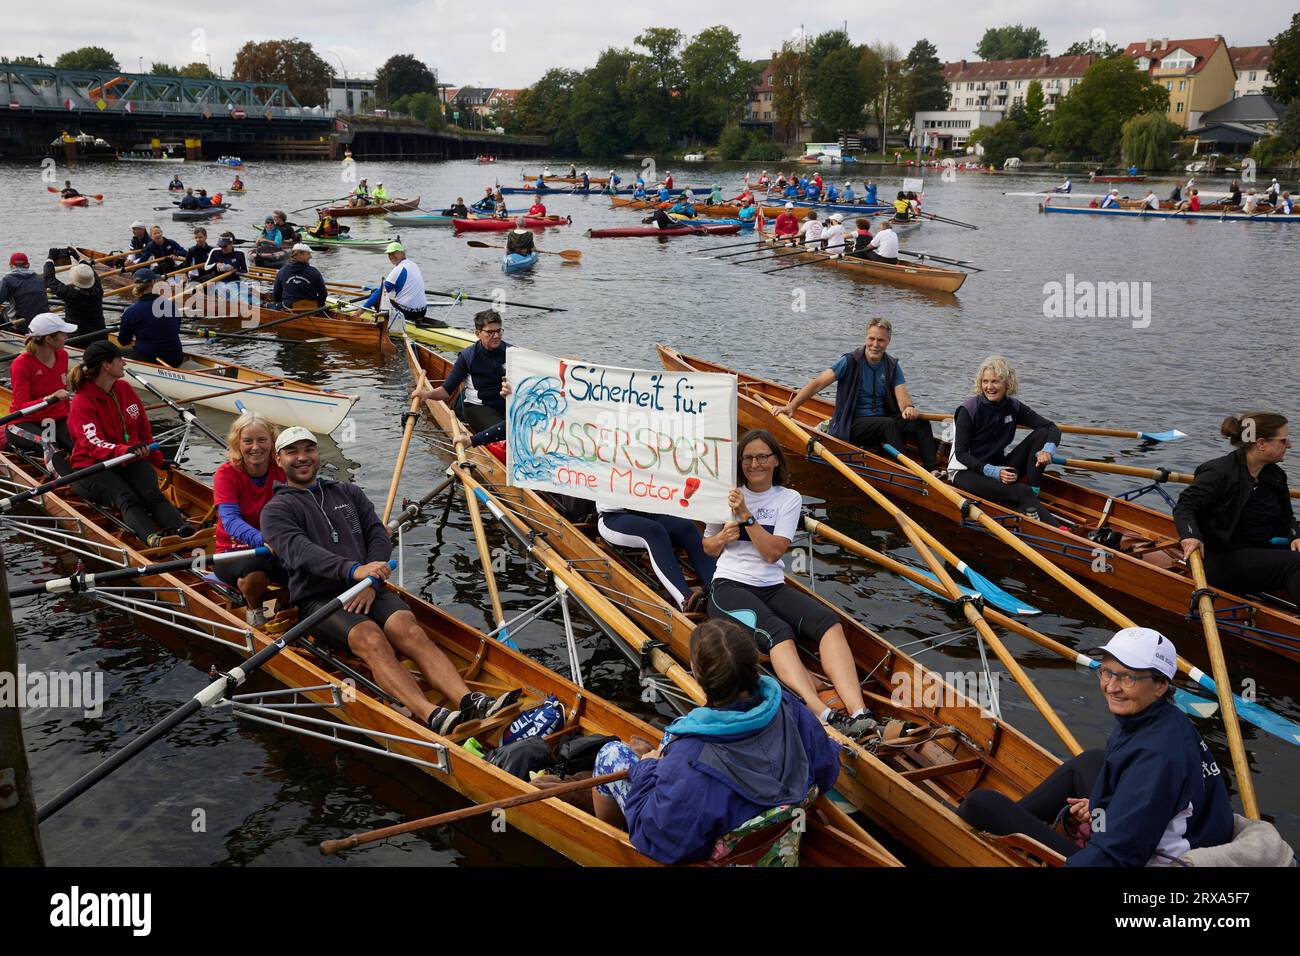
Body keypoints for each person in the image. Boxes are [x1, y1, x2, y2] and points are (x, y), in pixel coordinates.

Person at [260, 426, 516, 732]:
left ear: (317, 454)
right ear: (279, 460)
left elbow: (377, 534)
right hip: (320, 598)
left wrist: (371, 579)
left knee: (409, 629)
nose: (302, 458)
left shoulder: (347, 492)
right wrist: (356, 573)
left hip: (368, 585)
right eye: (292, 452)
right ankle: (432, 714)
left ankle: (470, 699)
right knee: (370, 637)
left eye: (308, 450)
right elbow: (301, 552)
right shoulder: (275, 510)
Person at [956, 627, 1233, 866]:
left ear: (1160, 685)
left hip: (1154, 861)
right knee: (1091, 762)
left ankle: (988, 824)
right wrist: (1105, 807)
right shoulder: (1164, 720)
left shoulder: (1155, 757)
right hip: (1178, 832)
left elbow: (1118, 856)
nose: (1111, 687)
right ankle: (1011, 823)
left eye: (1128, 678)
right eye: (1106, 672)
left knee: (980, 804)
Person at [591, 618, 842, 865]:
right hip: (776, 841)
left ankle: (605, 842)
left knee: (610, 754)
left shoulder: (691, 757)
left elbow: (659, 838)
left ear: (699, 678)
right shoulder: (791, 709)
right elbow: (826, 770)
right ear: (754, 665)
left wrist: (646, 768)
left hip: (721, 855)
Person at [702, 430, 875, 737]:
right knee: (779, 633)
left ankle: (860, 712)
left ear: (775, 461)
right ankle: (824, 715)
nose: (755, 464)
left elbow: (772, 553)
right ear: (740, 462)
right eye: (748, 458)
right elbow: (708, 547)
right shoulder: (726, 495)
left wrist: (746, 517)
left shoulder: (788, 499)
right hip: (729, 587)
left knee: (828, 622)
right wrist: (721, 537)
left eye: (762, 457)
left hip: (771, 586)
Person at [66, 340, 193, 546]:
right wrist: (125, 449)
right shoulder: (82, 402)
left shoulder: (124, 388)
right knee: (126, 497)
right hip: (91, 467)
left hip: (127, 458)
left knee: (152, 494)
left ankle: (182, 531)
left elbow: (143, 430)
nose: (124, 363)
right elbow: (93, 443)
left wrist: (159, 461)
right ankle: (152, 539)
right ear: (106, 365)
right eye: (119, 359)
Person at [777, 317, 940, 472]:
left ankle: (932, 470)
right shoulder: (849, 361)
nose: (875, 344)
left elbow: (902, 395)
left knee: (920, 422)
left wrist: (908, 408)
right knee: (887, 424)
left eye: (881, 340)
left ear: (888, 342)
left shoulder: (892, 365)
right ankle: (909, 471)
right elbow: (818, 383)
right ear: (866, 338)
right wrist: (791, 407)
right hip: (851, 425)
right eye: (871, 339)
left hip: (881, 425)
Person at [1174, 412, 1300, 607]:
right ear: (1261, 443)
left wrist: (1295, 536)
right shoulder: (1219, 472)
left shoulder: (1275, 476)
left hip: (1258, 552)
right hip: (1218, 558)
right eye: (1283, 440)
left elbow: (1287, 519)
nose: (1289, 445)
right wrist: (1190, 536)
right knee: (1297, 563)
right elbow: (1185, 507)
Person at [948, 355, 1060, 519]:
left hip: (999, 466)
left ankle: (1033, 490)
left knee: (1042, 434)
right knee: (1022, 491)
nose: (989, 387)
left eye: (995, 381)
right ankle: (1059, 530)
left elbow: (1051, 427)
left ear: (1007, 384)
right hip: (966, 471)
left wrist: (1048, 450)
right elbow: (961, 454)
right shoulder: (968, 410)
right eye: (985, 381)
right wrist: (993, 471)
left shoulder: (1013, 406)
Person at [213, 412, 289, 626]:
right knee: (255, 572)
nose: (256, 447)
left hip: (275, 545)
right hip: (235, 551)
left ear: (272, 442)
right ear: (238, 444)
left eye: (262, 440)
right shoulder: (225, 474)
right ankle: (255, 608)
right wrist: (263, 539)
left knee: (313, 564)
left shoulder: (282, 470)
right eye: (248, 441)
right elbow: (229, 520)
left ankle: (283, 602)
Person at [598, 503, 715, 612]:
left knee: (687, 528)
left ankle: (717, 590)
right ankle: (685, 600)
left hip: (650, 512)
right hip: (613, 517)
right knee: (654, 532)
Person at [413, 309, 508, 435]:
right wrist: (427, 395)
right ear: (477, 333)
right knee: (503, 434)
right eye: (490, 332)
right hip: (477, 406)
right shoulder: (468, 357)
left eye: (498, 331)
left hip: (506, 405)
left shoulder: (511, 352)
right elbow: (446, 391)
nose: (496, 336)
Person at [3, 312, 78, 466]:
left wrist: (74, 418)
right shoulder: (21, 364)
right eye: (62, 334)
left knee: (81, 442)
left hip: (54, 418)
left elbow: (62, 394)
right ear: (49, 339)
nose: (66, 337)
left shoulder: (62, 355)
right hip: (24, 421)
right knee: (50, 446)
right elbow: (21, 405)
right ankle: (62, 483)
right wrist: (48, 399)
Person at [116, 270, 182, 368]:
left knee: (112, 353)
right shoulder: (171, 305)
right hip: (176, 358)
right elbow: (176, 329)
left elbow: (123, 341)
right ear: (153, 283)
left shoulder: (131, 311)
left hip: (148, 359)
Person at [43, 248, 106, 343]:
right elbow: (91, 272)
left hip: (78, 339)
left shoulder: (71, 294)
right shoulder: (98, 290)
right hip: (100, 335)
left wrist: (50, 259)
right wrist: (78, 257)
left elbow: (49, 279)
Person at [363, 242, 428, 333]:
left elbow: (381, 292)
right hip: (422, 311)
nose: (391, 256)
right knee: (388, 296)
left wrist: (360, 311)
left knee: (375, 292)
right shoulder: (414, 265)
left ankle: (384, 323)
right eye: (389, 254)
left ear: (402, 253)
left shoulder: (398, 269)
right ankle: (418, 318)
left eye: (394, 253)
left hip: (407, 313)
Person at [272, 244, 328, 310]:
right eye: (308, 254)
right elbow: (323, 294)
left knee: (271, 305)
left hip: (289, 308)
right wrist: (319, 305)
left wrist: (278, 304)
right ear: (300, 254)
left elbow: (276, 293)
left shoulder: (282, 271)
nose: (310, 257)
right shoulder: (314, 272)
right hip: (311, 309)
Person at [0, 252, 50, 323]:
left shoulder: (7, 279)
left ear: (11, 265)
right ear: (28, 265)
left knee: (4, 310)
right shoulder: (39, 278)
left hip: (21, 325)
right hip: (43, 322)